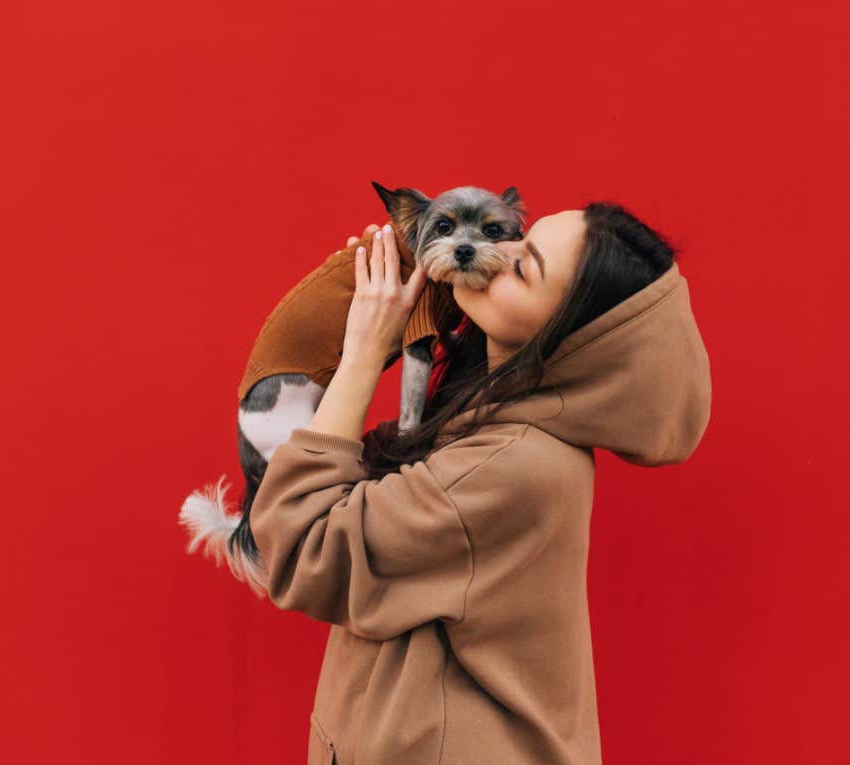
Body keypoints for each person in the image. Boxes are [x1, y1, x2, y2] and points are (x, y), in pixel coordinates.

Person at [249, 201, 712, 764]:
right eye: (522, 237)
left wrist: (363, 354)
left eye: (524, 267)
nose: (496, 254)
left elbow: (304, 548)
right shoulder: (502, 423)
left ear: (564, 338)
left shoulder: (509, 466)